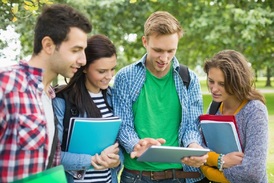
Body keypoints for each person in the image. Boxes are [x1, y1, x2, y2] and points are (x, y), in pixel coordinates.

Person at [112, 11, 209, 183]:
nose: (164, 58)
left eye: (171, 51)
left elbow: (191, 127)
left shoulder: (189, 79)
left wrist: (193, 146)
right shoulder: (125, 77)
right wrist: (136, 145)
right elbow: (123, 124)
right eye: (158, 50)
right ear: (145, 42)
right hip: (136, 176)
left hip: (177, 175)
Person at [0, 4, 92, 183]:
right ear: (49, 45)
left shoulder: (49, 95)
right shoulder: (6, 85)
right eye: (75, 50)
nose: (83, 60)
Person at [53, 34, 122, 183]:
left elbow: (120, 146)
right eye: (102, 71)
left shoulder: (114, 98)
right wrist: (92, 160)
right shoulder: (62, 102)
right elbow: (54, 156)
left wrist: (116, 161)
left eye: (112, 69)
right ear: (84, 67)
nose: (109, 76)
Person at [201, 50, 268, 183]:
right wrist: (220, 160)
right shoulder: (214, 106)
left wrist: (209, 172)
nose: (214, 89)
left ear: (237, 82)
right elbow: (199, 149)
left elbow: (253, 173)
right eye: (211, 81)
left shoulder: (254, 111)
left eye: (222, 84)